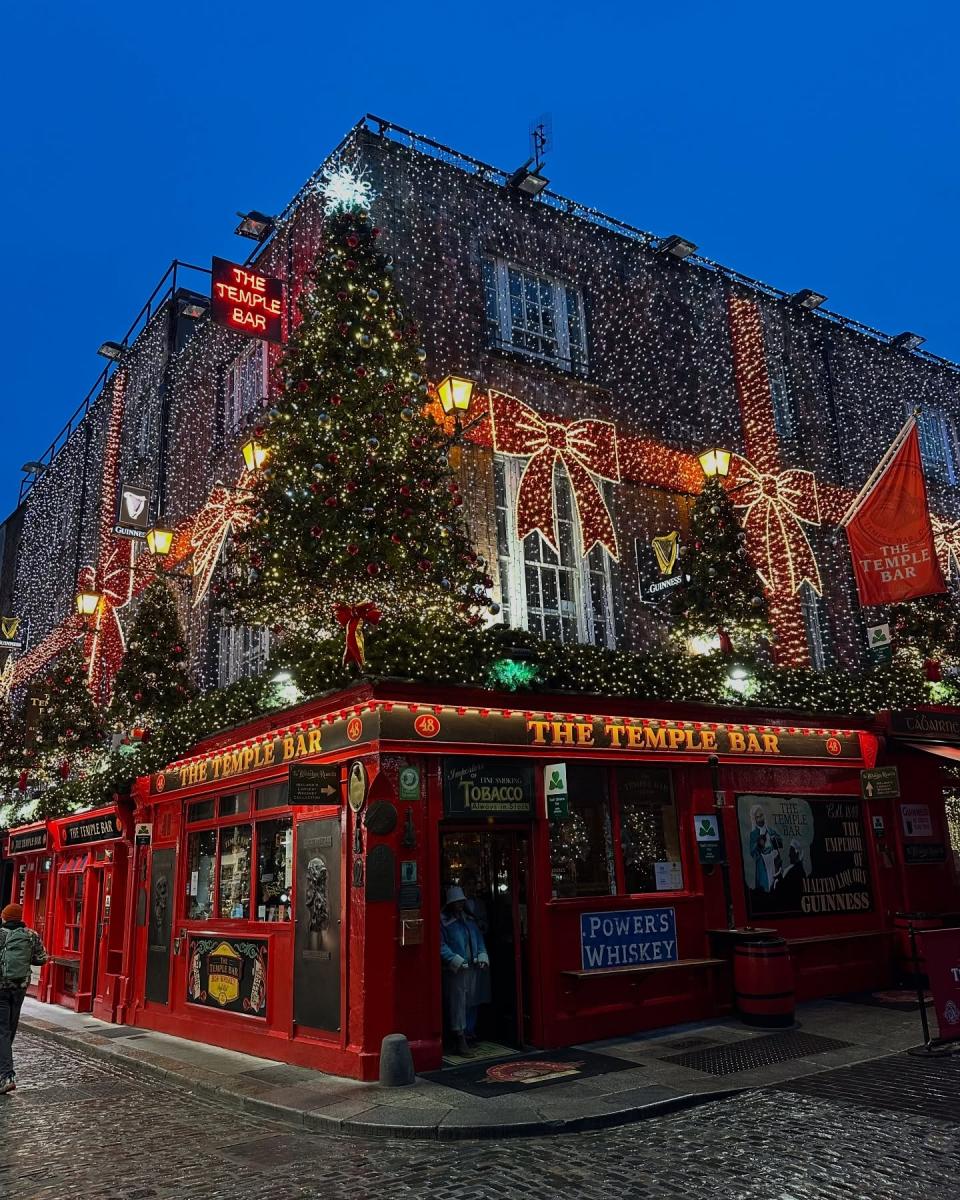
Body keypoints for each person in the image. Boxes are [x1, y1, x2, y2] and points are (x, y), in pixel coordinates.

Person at [0, 902, 47, 1094]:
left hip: (1, 987)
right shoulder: (31, 935)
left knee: (2, 1029)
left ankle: (6, 1074)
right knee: (10, 1028)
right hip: (20, 987)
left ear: (4, 917)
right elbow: (42, 959)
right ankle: (4, 1067)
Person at [440, 886, 488, 1056]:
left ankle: (469, 1032)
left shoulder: (469, 920)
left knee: (471, 1001)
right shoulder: (444, 923)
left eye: (461, 902)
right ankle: (459, 1038)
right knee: (457, 1003)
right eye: (456, 902)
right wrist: (453, 959)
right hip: (455, 971)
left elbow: (479, 939)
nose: (459, 905)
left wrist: (482, 954)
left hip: (472, 968)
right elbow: (441, 945)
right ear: (450, 904)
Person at [458, 869, 491, 1044]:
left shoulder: (479, 905)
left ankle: (471, 1028)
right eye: (468, 884)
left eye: (473, 884)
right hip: (462, 958)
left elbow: (485, 926)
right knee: (462, 996)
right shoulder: (456, 909)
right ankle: (461, 1030)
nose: (471, 888)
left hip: (477, 955)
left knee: (475, 995)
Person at [749, 804, 783, 893]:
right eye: (757, 817)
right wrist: (758, 844)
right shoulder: (753, 835)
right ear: (754, 819)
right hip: (763, 865)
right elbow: (753, 853)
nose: (760, 819)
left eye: (761, 815)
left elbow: (780, 843)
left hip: (773, 862)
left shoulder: (770, 830)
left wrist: (775, 840)